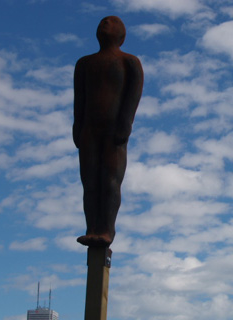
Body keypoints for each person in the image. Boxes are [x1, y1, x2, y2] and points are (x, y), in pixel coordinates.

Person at [73, 16, 143, 247]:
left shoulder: (130, 62)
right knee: (90, 181)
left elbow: (132, 97)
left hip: (114, 131)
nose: (105, 23)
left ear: (122, 34)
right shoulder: (84, 63)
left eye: (112, 22)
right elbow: (80, 99)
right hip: (89, 131)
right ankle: (92, 227)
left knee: (110, 180)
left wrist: (125, 124)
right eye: (103, 21)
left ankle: (106, 229)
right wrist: (77, 125)